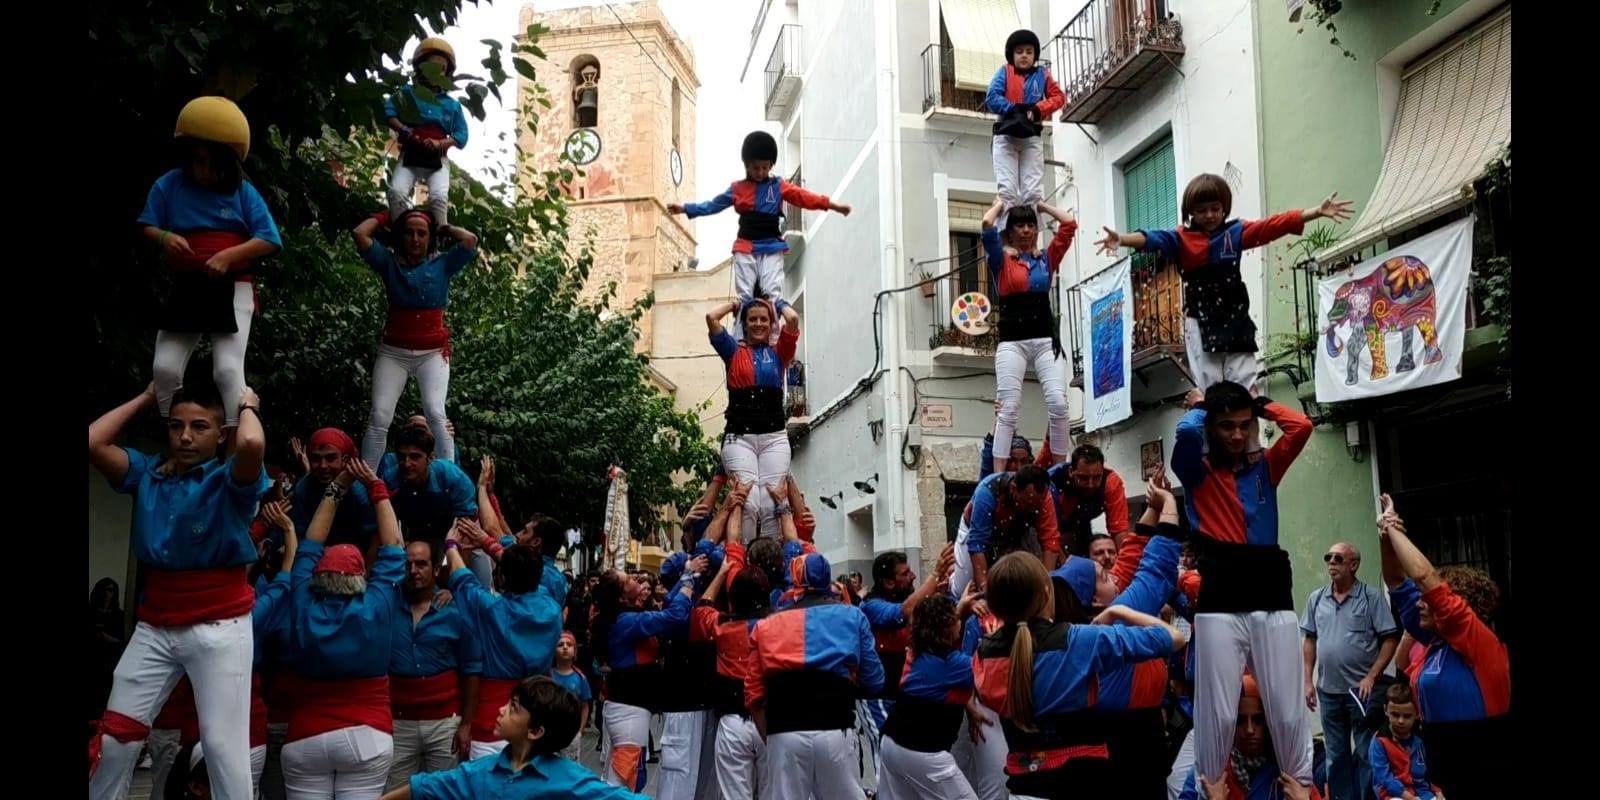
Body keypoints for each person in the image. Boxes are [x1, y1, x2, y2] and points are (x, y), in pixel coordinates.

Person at [88, 380, 269, 800]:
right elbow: (93, 441)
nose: (185, 436)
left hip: (221, 623)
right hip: (156, 624)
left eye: (200, 426)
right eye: (176, 425)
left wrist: (247, 404)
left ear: (220, 433)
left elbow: (252, 444)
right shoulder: (149, 473)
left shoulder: (230, 482)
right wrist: (151, 396)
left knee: (224, 750)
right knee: (115, 739)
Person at [1171, 380, 1316, 793]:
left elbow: (1301, 426)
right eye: (1225, 426)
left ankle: (1300, 788)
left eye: (1243, 425)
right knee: (1216, 713)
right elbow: (1183, 433)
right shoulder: (1196, 470)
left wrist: (1260, 403)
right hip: (1221, 596)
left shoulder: (1265, 466)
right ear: (1211, 428)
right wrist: (1202, 406)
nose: (1236, 434)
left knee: (1287, 713)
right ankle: (1210, 790)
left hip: (1271, 592)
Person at [1096, 175, 1353, 392]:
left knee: (1244, 382)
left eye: (1215, 209)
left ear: (1224, 208)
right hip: (1199, 318)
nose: (1209, 215)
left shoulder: (1236, 233)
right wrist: (1122, 239)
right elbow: (1151, 239)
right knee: (1210, 385)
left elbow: (1272, 225)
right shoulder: (1181, 238)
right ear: (1191, 212)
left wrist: (1315, 212)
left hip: (1234, 316)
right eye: (1201, 210)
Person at [972, 553, 1184, 798]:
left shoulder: (982, 655)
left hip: (1024, 789)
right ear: (1046, 593)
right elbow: (1173, 638)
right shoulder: (1078, 641)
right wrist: (1121, 612)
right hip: (1084, 784)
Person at [139, 97, 283, 429]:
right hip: (188, 284)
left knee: (228, 370)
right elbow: (146, 226)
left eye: (210, 163)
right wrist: (164, 238)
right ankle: (175, 440)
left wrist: (226, 256)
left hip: (234, 284)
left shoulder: (243, 191)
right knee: (164, 368)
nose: (202, 171)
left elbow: (270, 238)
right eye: (197, 161)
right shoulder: (170, 184)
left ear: (226, 163)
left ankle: (234, 448)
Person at [282, 459, 406, 799]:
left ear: (317, 574)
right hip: (368, 734)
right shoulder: (377, 603)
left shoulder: (303, 599)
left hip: (306, 735)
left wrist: (337, 487)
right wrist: (376, 488)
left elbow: (310, 543)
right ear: (360, 578)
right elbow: (394, 547)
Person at [1377, 495, 1509, 799]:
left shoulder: (1479, 643)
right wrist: (1386, 535)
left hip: (1484, 773)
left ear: (1455, 607)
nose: (1421, 602)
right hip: (1445, 775)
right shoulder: (1435, 641)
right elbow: (1396, 580)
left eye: (1429, 599)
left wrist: (1396, 530)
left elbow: (1424, 577)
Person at [745, 551, 885, 800]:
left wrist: (772, 738)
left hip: (784, 734)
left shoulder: (765, 626)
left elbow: (753, 695)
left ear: (794, 579)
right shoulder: (853, 616)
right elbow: (875, 680)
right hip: (837, 730)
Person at [668, 131, 850, 321]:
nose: (761, 172)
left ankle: (773, 335)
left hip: (771, 245)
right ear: (747, 166)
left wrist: (833, 205)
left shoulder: (778, 186)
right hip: (746, 246)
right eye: (756, 168)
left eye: (765, 167)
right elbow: (713, 205)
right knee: (745, 295)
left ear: (771, 165)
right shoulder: (738, 189)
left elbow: (805, 197)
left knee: (772, 292)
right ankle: (741, 333)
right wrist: (685, 208)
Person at [351, 207, 479, 466]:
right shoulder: (389, 264)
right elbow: (359, 233)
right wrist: (387, 217)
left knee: (435, 412)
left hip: (432, 353)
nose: (415, 239)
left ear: (430, 238)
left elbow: (469, 241)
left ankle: (448, 475)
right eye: (409, 233)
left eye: (422, 233)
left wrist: (445, 227)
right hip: (393, 352)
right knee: (379, 416)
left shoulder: (442, 264)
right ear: (401, 236)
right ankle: (365, 481)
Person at [381, 676, 648, 800]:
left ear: (535, 731)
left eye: (513, 708)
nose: (501, 710)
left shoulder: (570, 780)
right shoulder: (481, 772)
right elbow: (424, 787)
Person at [438, 527, 563, 759]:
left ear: (503, 577)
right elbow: (526, 573)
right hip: (536, 718)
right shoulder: (552, 608)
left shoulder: (492, 610)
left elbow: (463, 580)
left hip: (490, 723)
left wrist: (451, 546)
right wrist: (487, 543)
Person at [591, 558, 707, 790]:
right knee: (626, 776)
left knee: (625, 773)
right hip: (629, 711)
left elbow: (665, 611)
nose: (637, 580)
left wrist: (686, 576)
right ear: (623, 597)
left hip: (628, 708)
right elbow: (672, 617)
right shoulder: (626, 621)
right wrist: (687, 579)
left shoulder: (622, 617)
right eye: (630, 581)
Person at [981, 197, 1077, 475]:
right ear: (1010, 232)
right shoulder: (1001, 261)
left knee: (1059, 403)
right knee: (1008, 408)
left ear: (1036, 230)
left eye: (1030, 225)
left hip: (1045, 340)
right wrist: (1001, 203)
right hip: (1012, 343)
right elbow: (987, 225)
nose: (1026, 230)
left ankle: (1059, 470)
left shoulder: (1046, 259)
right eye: (1019, 225)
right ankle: (999, 475)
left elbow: (1069, 224)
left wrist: (1043, 207)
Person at [1302, 541, 1401, 800]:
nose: (1331, 563)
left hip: (1361, 692)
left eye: (1338, 558)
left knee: (1366, 753)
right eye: (1329, 558)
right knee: (1336, 756)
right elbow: (1310, 640)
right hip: (1328, 691)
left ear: (1354, 565)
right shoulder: (1317, 598)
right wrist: (1307, 681)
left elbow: (1390, 639)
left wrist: (1372, 676)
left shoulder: (1371, 598)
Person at [384, 540, 483, 792]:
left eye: (421, 564)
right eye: (408, 565)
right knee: (394, 794)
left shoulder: (455, 611)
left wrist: (467, 724)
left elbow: (471, 669)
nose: (414, 570)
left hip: (444, 725)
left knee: (443, 794)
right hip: (398, 723)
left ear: (436, 570)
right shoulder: (387, 606)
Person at [707, 298, 800, 540]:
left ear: (771, 325)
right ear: (745, 325)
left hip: (774, 438)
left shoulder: (779, 352)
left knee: (771, 504)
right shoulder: (732, 351)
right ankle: (744, 556)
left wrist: (778, 304)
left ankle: (767, 559)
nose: (758, 324)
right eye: (753, 319)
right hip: (740, 438)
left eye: (763, 319)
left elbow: (792, 319)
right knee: (748, 502)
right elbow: (711, 318)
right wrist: (733, 305)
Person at [858, 547, 955, 780]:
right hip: (878, 699)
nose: (912, 576)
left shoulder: (912, 600)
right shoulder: (871, 606)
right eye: (905, 573)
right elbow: (903, 613)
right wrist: (935, 575)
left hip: (905, 698)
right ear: (889, 583)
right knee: (887, 763)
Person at [690, 531, 771, 800]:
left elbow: (702, 607)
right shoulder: (778, 626)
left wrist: (722, 573)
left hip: (733, 723)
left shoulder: (722, 626)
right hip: (771, 722)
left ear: (733, 599)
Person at [876, 593, 978, 800]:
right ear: (949, 626)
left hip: (892, 744)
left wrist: (959, 607)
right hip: (923, 752)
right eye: (955, 619)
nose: (960, 622)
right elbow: (990, 672)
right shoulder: (954, 664)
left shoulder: (916, 653)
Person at [1175, 675, 1322, 800]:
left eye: (1258, 720)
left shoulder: (1289, 770)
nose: (1250, 730)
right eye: (1240, 721)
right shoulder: (1209, 774)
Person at [385, 38, 468, 228]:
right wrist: (406, 130)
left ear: (446, 72)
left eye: (442, 68)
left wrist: (440, 143)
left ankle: (437, 239)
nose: (436, 71)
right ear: (421, 67)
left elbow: (462, 134)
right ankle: (400, 234)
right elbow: (389, 112)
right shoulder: (406, 94)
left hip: (437, 158)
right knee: (397, 192)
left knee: (439, 197)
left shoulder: (451, 105)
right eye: (432, 66)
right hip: (410, 154)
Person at [985, 28, 1064, 230]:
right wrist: (1013, 109)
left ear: (1034, 55)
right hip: (1005, 136)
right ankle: (1005, 240)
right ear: (1012, 54)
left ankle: (1033, 242)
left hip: (1031, 137)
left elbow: (1059, 97)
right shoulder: (1004, 72)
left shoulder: (1043, 75)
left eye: (1029, 52)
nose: (1024, 56)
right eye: (1020, 51)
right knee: (1007, 192)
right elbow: (992, 97)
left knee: (1032, 192)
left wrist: (1038, 109)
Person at [951, 464, 1062, 597]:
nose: (1034, 509)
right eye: (1028, 503)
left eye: (1038, 505)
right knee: (962, 589)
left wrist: (1046, 584)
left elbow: (1050, 541)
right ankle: (951, 579)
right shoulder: (986, 493)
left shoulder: (1043, 497)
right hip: (976, 532)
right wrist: (985, 592)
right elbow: (977, 546)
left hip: (1018, 531)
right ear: (1014, 489)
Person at [378, 425, 477, 549]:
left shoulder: (451, 476)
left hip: (457, 534)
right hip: (415, 537)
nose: (407, 463)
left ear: (430, 458)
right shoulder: (390, 481)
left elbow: (466, 525)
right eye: (402, 457)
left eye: (415, 457)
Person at [289, 428, 377, 554]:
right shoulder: (303, 488)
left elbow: (374, 540)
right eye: (316, 459)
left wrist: (367, 573)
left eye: (331, 458)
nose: (323, 466)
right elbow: (297, 536)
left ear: (345, 460)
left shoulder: (360, 492)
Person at [1045, 443, 1131, 560]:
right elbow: (1049, 537)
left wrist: (1126, 568)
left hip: (1083, 524)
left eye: (1096, 478)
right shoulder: (1052, 482)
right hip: (1048, 527)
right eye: (1083, 478)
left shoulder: (1111, 481)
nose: (1090, 485)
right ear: (1071, 472)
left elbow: (1119, 529)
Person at [1368, 683, 1442, 800]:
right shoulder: (1379, 741)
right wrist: (1408, 796)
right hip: (1392, 794)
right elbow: (1384, 777)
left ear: (1417, 715)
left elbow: (1430, 771)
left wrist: (1438, 791)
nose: (1401, 721)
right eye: (1395, 715)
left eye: (1407, 716)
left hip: (1422, 791)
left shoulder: (1421, 738)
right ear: (1385, 710)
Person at [549, 632, 593, 762]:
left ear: (575, 651)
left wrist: (580, 729)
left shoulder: (580, 678)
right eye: (560, 644)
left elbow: (585, 705)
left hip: (572, 733)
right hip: (550, 732)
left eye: (569, 645)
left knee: (571, 766)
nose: (565, 647)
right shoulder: (548, 676)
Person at [88, 578, 127, 725]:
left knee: (104, 693)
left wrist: (105, 637)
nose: (107, 594)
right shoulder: (90, 610)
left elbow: (121, 640)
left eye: (111, 590)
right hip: (92, 656)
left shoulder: (117, 614)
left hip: (108, 659)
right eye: (105, 589)